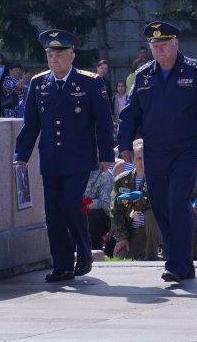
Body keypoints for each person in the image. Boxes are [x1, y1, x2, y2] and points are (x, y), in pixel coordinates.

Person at [117, 22, 197, 284]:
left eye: (164, 44)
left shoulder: (194, 71)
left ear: (176, 44)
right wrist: (125, 145)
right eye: (155, 46)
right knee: (161, 205)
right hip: (153, 149)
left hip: (186, 149)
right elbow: (130, 114)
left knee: (177, 202)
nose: (159, 50)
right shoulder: (143, 75)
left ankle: (174, 263)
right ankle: (184, 264)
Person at [13, 30, 114, 281]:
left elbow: (103, 121)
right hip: (51, 156)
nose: (53, 60)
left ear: (72, 56)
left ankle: (84, 249)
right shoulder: (39, 83)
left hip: (80, 155)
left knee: (71, 203)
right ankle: (63, 265)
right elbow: (31, 124)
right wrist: (21, 155)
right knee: (53, 211)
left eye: (59, 55)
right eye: (50, 55)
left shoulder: (91, 82)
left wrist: (106, 155)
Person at [111, 140, 161, 260]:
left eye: (146, 158)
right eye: (139, 158)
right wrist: (122, 237)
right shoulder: (121, 180)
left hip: (157, 233)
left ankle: (154, 255)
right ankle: (142, 252)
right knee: (121, 258)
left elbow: (156, 204)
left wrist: (133, 201)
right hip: (134, 233)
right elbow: (115, 211)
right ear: (132, 159)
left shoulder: (159, 179)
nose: (142, 162)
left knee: (151, 213)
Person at [84, 165, 115, 250]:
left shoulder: (105, 173)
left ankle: (94, 250)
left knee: (91, 215)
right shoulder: (70, 171)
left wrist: (82, 204)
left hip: (99, 218)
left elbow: (105, 203)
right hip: (73, 212)